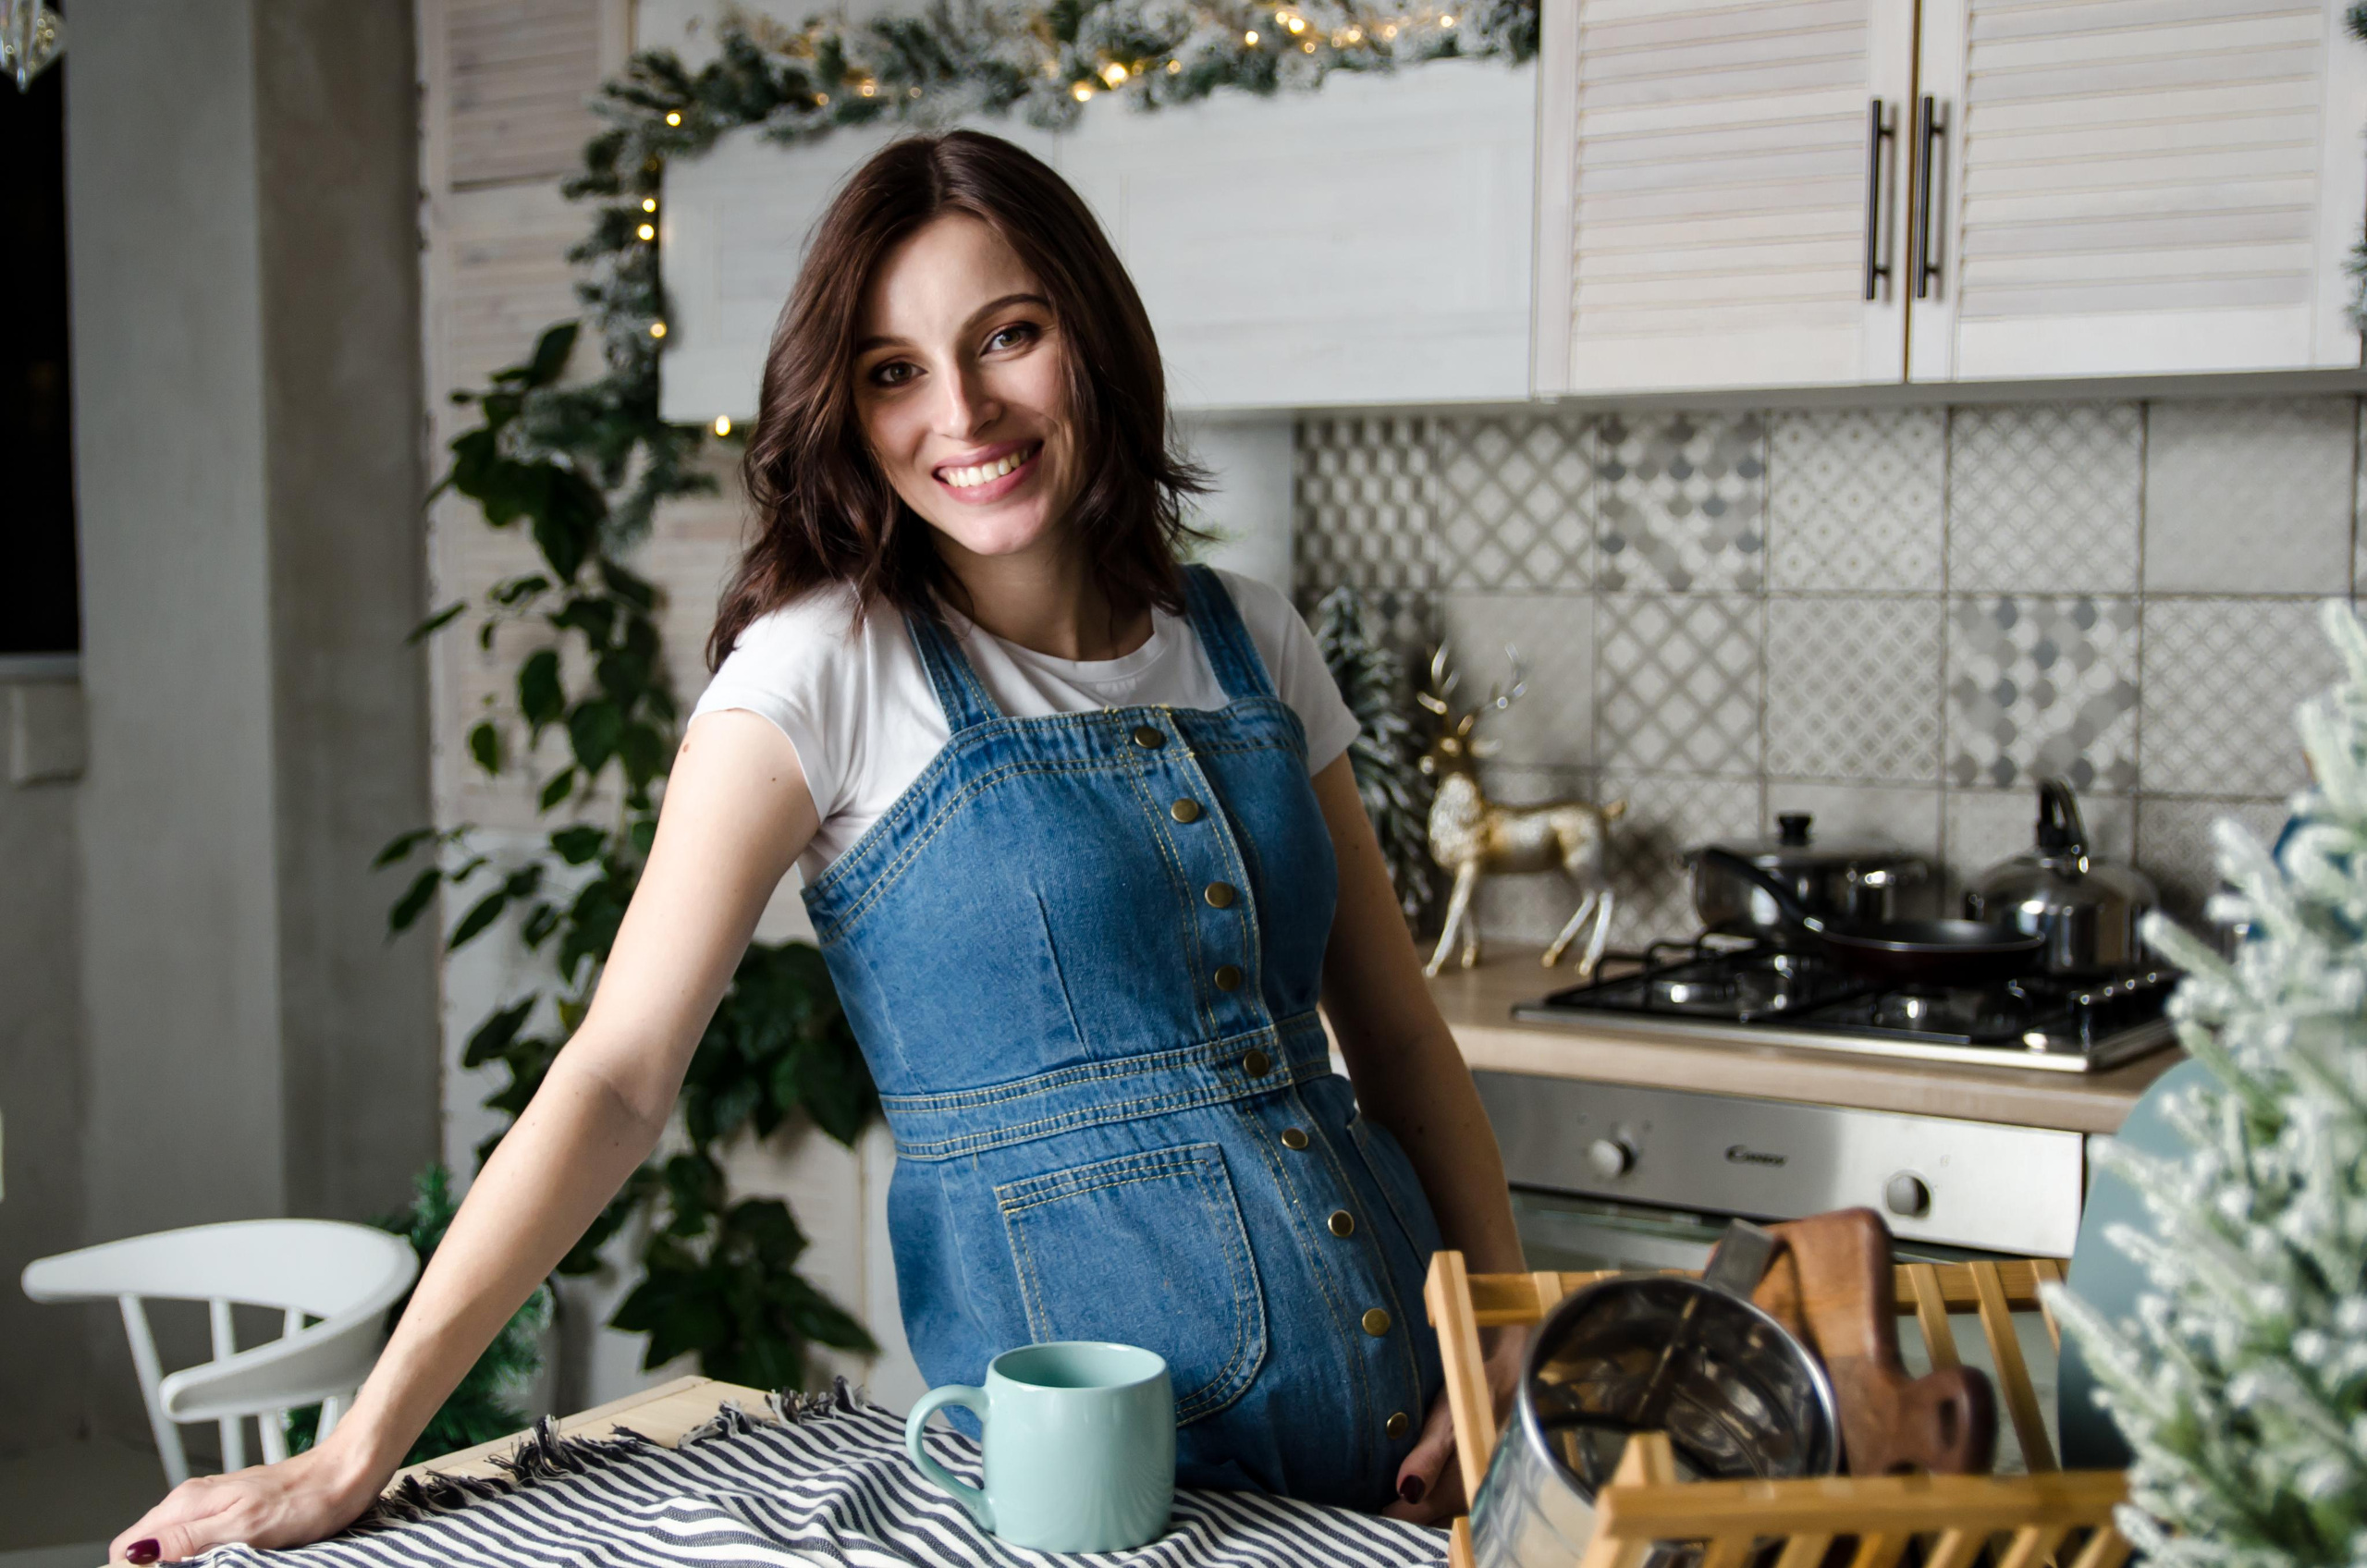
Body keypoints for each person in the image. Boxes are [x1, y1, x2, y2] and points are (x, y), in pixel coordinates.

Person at [110, 129, 1526, 1565]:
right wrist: (358, 1450)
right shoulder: (822, 671)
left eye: (1008, 336)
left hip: (1418, 1426)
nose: (963, 411)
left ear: (1089, 335)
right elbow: (613, 1077)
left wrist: (1503, 1349)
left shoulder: (1250, 635)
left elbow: (1398, 1041)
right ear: (843, 408)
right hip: (1108, 1496)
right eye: (893, 370)